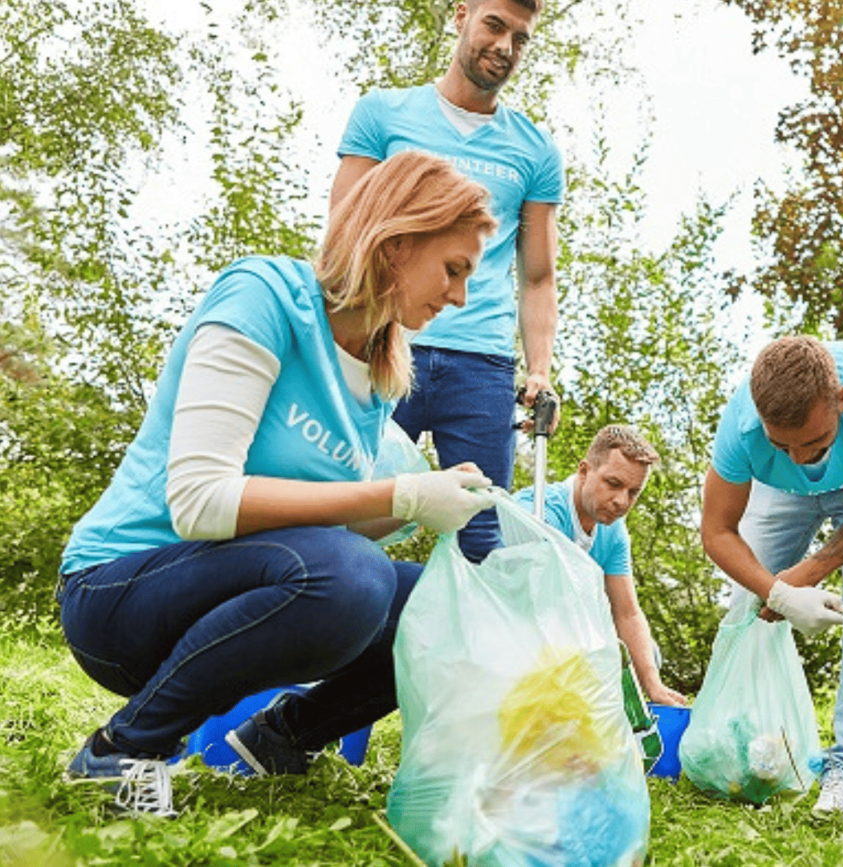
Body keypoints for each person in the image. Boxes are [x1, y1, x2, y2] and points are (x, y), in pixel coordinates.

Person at [57, 151, 499, 817]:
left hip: (223, 594)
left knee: (440, 604)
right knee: (355, 575)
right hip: (116, 591)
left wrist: (426, 507)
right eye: (454, 268)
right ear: (399, 240)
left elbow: (317, 529)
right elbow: (201, 500)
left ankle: (279, 742)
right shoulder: (264, 297)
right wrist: (399, 496)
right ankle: (122, 750)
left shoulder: (377, 379)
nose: (460, 296)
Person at [330, 0, 563, 563]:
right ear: (461, 16)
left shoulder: (534, 151)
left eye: (521, 38)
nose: (506, 47)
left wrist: (537, 370)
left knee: (481, 535)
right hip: (386, 345)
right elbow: (343, 235)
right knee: (348, 512)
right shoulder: (382, 115)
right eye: (495, 25)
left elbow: (537, 278)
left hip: (480, 365)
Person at [700, 335, 843, 814]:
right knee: (747, 603)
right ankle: (739, 751)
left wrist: (803, 575)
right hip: (780, 495)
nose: (800, 458)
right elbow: (717, 532)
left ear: (841, 400)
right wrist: (775, 592)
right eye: (783, 445)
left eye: (815, 442)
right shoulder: (742, 426)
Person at [514, 425, 686, 707]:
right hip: (512, 637)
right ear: (584, 471)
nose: (621, 502)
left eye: (633, 493)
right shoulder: (540, 511)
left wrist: (653, 686)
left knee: (646, 657)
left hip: (563, 642)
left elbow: (627, 614)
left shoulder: (613, 531)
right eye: (614, 484)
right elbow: (537, 610)